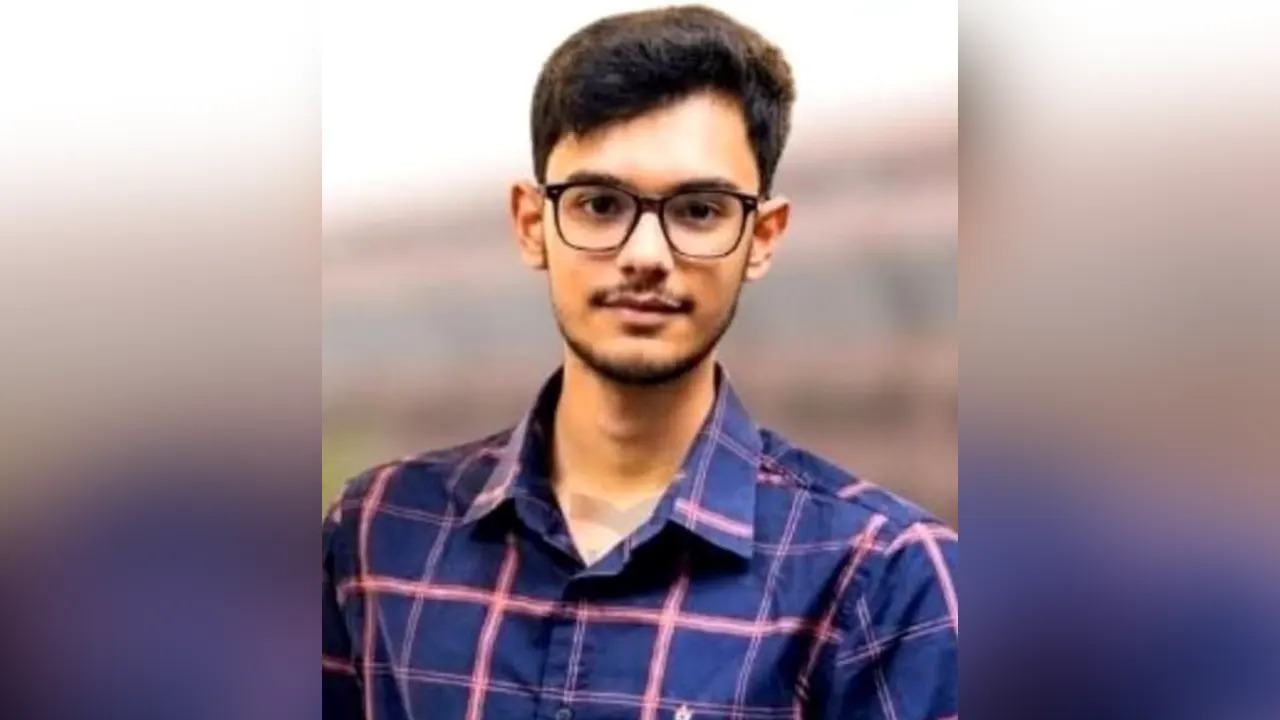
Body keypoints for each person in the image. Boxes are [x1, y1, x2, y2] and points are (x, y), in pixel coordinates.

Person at [323, 5, 957, 719]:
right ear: (532, 224)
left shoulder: (881, 577)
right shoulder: (378, 535)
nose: (646, 256)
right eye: (599, 204)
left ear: (763, 236)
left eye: (699, 210)